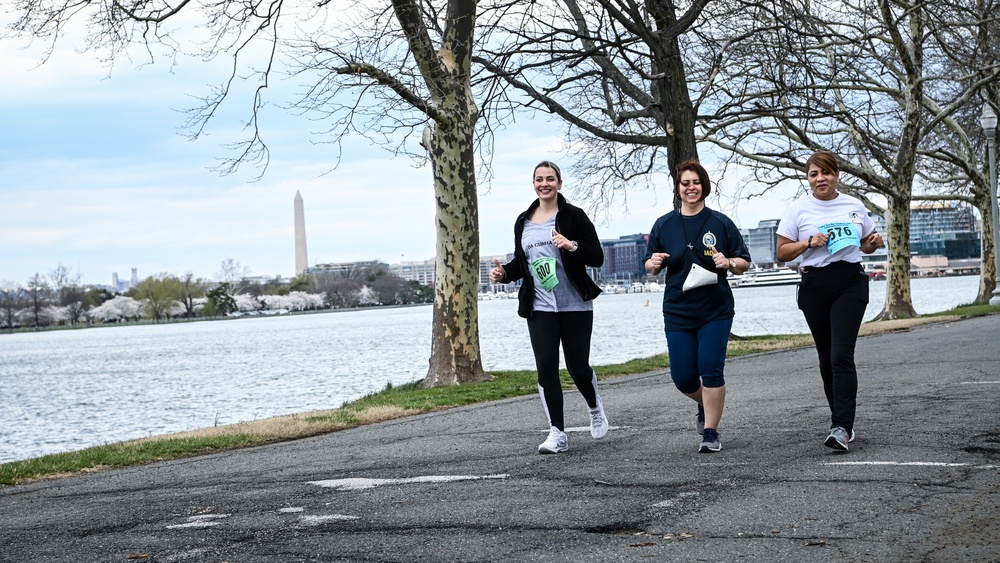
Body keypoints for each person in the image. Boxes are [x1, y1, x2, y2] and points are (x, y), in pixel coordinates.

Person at [489, 161, 608, 454]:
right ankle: (557, 432)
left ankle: (594, 407)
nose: (545, 184)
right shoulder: (524, 221)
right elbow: (522, 263)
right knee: (546, 367)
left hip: (575, 304)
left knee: (577, 367)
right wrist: (504, 273)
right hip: (540, 306)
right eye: (539, 179)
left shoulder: (573, 216)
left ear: (559, 183)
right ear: (533, 184)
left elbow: (597, 257)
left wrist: (572, 246)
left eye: (550, 179)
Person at [776, 150, 885, 452]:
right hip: (814, 285)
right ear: (808, 179)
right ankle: (842, 421)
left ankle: (841, 427)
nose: (820, 179)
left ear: (836, 175)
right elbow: (782, 252)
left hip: (849, 281)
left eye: (826, 172)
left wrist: (873, 243)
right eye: (814, 174)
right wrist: (807, 242)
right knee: (826, 358)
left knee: (840, 355)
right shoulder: (798, 210)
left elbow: (866, 244)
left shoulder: (854, 205)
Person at [643, 160, 751, 453]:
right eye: (685, 183)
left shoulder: (721, 223)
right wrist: (652, 264)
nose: (691, 188)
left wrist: (728, 262)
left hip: (715, 308)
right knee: (683, 376)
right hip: (678, 309)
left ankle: (711, 433)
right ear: (678, 189)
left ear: (705, 186)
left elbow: (744, 261)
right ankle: (707, 404)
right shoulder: (664, 224)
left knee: (711, 369)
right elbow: (650, 263)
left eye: (696, 182)